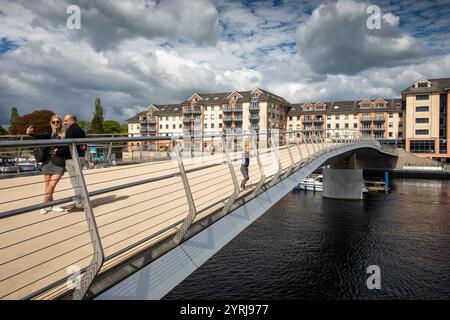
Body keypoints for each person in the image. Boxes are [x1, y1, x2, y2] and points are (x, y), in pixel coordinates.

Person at [26, 115, 66, 214]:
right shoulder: (50, 135)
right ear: (51, 123)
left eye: (58, 122)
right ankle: (52, 205)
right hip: (48, 163)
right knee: (48, 186)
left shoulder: (66, 134)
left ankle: (43, 205)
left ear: (61, 123)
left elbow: (70, 146)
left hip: (59, 165)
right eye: (53, 122)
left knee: (51, 186)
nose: (56, 124)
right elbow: (37, 136)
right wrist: (29, 133)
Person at [58, 114, 87, 212]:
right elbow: (84, 143)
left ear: (72, 120)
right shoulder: (80, 130)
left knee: (76, 182)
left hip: (73, 159)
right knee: (79, 181)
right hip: (81, 157)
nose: (64, 123)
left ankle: (80, 204)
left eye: (66, 121)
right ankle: (82, 202)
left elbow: (67, 146)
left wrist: (57, 152)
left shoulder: (71, 130)